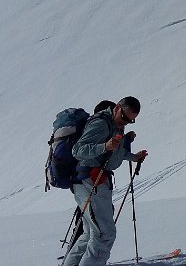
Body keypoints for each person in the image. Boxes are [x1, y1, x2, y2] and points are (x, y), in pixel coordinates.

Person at [62, 97, 148, 266]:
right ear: (117, 108)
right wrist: (104, 147)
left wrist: (134, 157)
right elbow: (77, 150)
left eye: (131, 120)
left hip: (96, 182)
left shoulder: (116, 125)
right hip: (89, 181)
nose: (126, 122)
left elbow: (116, 153)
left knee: (90, 235)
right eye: (125, 117)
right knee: (105, 234)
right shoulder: (101, 123)